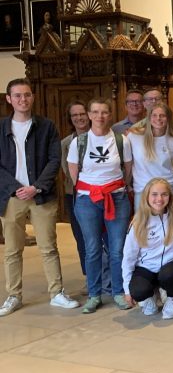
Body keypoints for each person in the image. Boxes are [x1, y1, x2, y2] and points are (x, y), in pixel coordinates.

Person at [0, 79, 79, 317]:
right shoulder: (1, 127)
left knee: (48, 247)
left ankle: (56, 292)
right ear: (8, 99)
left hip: (41, 196)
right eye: (17, 96)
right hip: (11, 196)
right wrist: (17, 188)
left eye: (27, 95)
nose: (23, 100)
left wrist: (35, 187)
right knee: (13, 250)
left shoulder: (47, 126)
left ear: (32, 97)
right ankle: (13, 295)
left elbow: (55, 160)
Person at [67, 98, 133, 314]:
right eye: (95, 112)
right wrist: (92, 187)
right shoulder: (80, 141)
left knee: (117, 249)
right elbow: (74, 171)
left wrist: (112, 186)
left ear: (110, 115)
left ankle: (119, 291)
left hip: (117, 198)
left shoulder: (121, 140)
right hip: (88, 199)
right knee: (92, 248)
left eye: (104, 112)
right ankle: (94, 294)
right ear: (89, 114)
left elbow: (128, 168)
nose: (100, 116)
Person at [122, 178, 173, 319]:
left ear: (170, 197)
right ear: (147, 197)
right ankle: (150, 297)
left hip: (171, 265)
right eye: (154, 194)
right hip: (147, 267)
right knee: (138, 291)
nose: (159, 199)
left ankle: (170, 297)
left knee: (169, 275)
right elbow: (128, 257)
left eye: (164, 194)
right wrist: (127, 290)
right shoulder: (138, 222)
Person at [127, 104, 173, 209]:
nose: (158, 118)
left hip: (168, 190)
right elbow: (128, 163)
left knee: (171, 225)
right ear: (149, 118)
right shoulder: (134, 137)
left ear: (168, 119)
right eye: (154, 115)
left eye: (162, 115)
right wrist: (127, 184)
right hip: (142, 190)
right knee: (143, 225)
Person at [60, 101, 91, 275]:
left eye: (82, 114)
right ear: (70, 119)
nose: (79, 118)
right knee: (81, 237)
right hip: (75, 194)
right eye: (75, 115)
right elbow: (68, 172)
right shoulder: (65, 143)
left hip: (102, 192)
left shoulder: (103, 137)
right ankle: (89, 277)